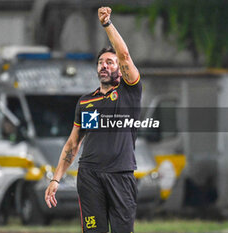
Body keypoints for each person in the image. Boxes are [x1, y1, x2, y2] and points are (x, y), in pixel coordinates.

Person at [45, 6, 141, 233]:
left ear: (120, 68)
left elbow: (125, 55)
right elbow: (73, 144)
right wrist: (56, 179)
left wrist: (107, 24)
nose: (104, 66)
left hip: (120, 175)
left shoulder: (129, 92)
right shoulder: (87, 102)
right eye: (101, 62)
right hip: (89, 177)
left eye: (110, 62)